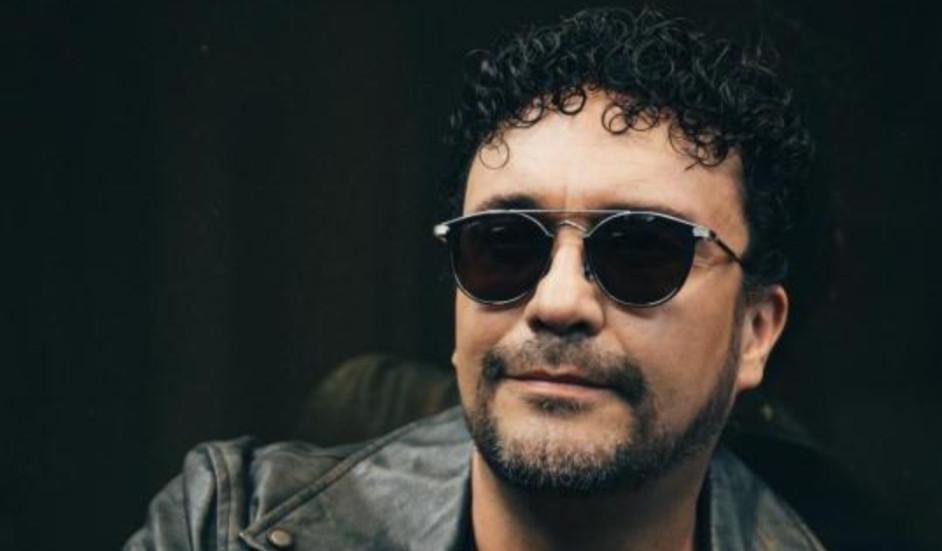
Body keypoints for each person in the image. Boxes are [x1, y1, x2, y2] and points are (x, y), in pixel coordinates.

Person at [126, 7, 820, 550]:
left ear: (755, 331)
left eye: (642, 252)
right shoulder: (222, 526)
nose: (558, 301)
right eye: (505, 246)